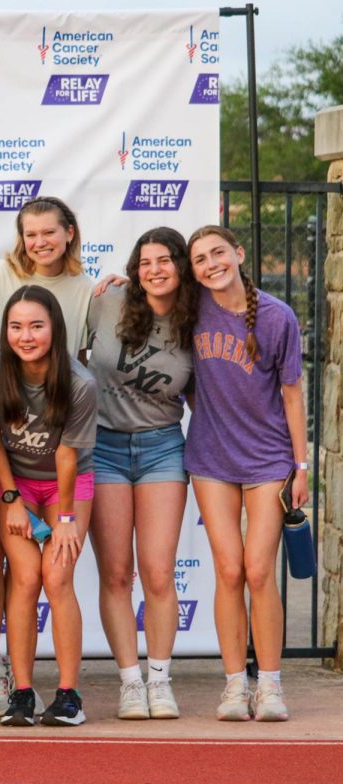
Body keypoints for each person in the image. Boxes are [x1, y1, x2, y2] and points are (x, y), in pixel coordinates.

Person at [0, 195, 93, 717]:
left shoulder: (79, 383)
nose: (25, 336)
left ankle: (68, 694)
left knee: (57, 578)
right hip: (11, 483)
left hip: (66, 486)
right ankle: (20, 690)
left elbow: (67, 458)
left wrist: (63, 519)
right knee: (25, 577)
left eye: (36, 327)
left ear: (56, 330)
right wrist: (12, 499)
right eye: (16, 328)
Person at [185, 225, 308, 722]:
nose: (211, 263)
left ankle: (271, 685)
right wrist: (114, 283)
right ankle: (236, 685)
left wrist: (301, 467)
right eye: (199, 259)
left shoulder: (277, 316)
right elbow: (145, 288)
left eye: (218, 252)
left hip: (268, 460)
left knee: (259, 570)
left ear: (238, 253)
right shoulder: (190, 310)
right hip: (212, 458)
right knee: (229, 570)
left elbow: (293, 396)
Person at [85, 227, 197, 720]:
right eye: (145, 262)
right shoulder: (108, 300)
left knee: (157, 571)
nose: (154, 270)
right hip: (102, 446)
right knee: (115, 573)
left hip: (161, 448)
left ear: (181, 267)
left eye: (164, 261)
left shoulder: (200, 318)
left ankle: (159, 679)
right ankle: (130, 682)